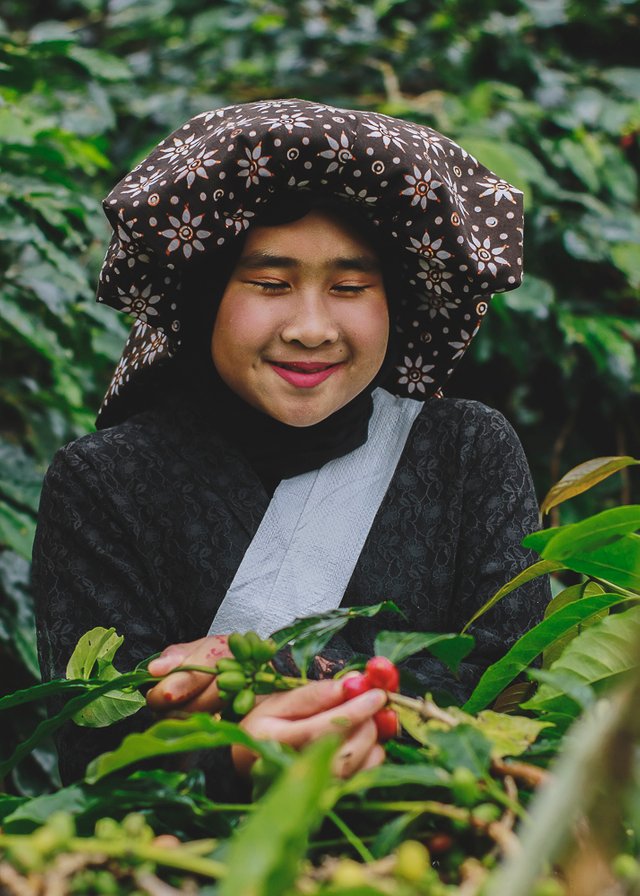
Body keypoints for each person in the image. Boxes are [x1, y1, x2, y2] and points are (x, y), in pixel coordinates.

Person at [32, 99, 549, 792]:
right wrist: (238, 757)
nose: (311, 327)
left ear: (394, 300)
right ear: (204, 295)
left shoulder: (466, 452)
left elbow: (512, 687)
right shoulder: (105, 481)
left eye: (350, 287)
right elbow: (92, 738)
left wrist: (279, 677)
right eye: (270, 284)